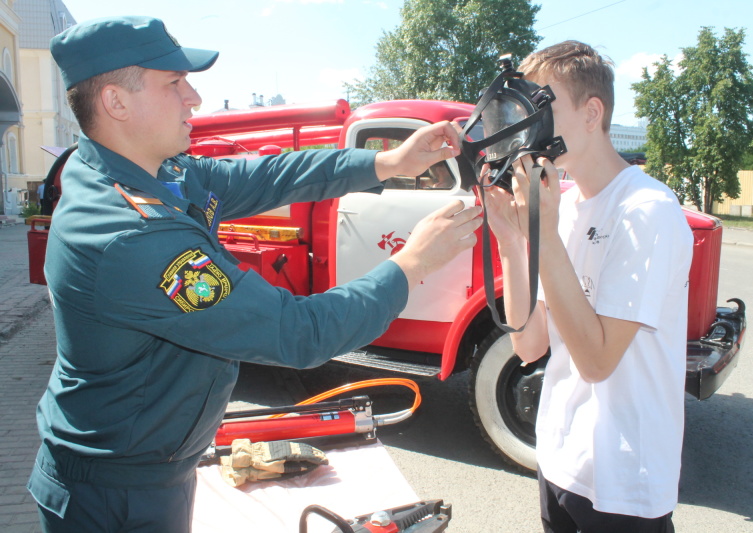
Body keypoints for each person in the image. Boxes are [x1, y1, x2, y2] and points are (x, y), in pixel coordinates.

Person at [28, 16, 482, 533]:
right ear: (116, 103)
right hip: (113, 498)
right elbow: (299, 333)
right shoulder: (131, 233)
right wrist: (413, 261)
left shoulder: (154, 173)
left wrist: (388, 162)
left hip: (144, 473)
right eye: (174, 83)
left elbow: (267, 174)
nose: (194, 97)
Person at [483, 41, 693, 532]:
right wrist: (513, 243)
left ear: (591, 112)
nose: (524, 123)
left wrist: (546, 233)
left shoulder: (647, 211)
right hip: (560, 459)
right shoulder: (567, 204)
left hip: (623, 482)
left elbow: (597, 362)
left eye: (540, 106)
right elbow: (530, 343)